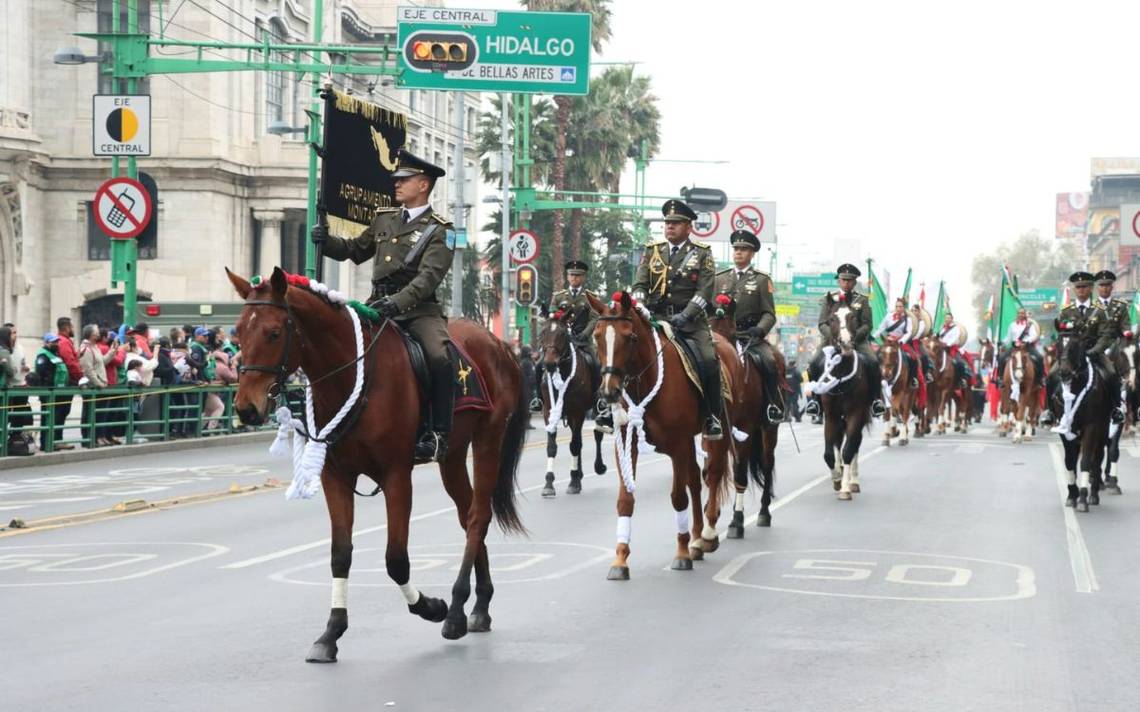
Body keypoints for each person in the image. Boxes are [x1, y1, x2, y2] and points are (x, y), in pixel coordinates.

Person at [313, 149, 456, 462]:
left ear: (424, 185)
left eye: (404, 179)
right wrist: (326, 240)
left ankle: (438, 434)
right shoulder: (384, 218)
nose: (397, 184)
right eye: (397, 179)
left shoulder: (442, 230)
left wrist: (397, 303)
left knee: (440, 356)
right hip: (376, 305)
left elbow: (428, 279)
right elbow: (354, 249)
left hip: (417, 311)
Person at [631, 198, 723, 439]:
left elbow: (705, 291)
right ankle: (609, 407)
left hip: (689, 323)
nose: (670, 226)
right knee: (622, 350)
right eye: (668, 222)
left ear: (688, 227)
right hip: (654, 319)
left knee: (709, 361)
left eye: (676, 223)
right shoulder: (653, 251)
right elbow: (640, 283)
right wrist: (640, 305)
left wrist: (687, 315)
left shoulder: (702, 253)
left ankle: (712, 416)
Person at [713, 229, 784, 423]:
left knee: (769, 362)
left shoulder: (761, 279)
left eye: (744, 249)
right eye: (736, 248)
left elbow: (769, 313)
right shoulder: (719, 278)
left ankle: (772, 404)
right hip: (722, 336)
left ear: (752, 254)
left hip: (750, 336)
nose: (738, 252)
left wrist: (760, 329)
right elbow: (711, 310)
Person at [805, 263, 885, 418]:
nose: (846, 283)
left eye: (850, 280)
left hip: (857, 341)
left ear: (854, 282)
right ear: (838, 281)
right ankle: (815, 401)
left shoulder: (861, 300)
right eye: (843, 280)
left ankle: (876, 400)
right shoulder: (829, 298)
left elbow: (868, 324)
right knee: (814, 362)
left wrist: (853, 338)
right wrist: (833, 337)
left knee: (873, 362)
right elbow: (822, 323)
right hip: (831, 340)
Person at [1044, 270, 1115, 425]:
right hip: (1071, 354)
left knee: (1111, 373)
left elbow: (1105, 335)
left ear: (1090, 289)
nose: (1081, 290)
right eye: (1078, 287)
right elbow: (1061, 333)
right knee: (1051, 376)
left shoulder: (1100, 310)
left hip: (1093, 352)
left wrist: (1095, 350)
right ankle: (1050, 411)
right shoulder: (1066, 310)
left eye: (1084, 287)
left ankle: (1115, 409)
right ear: (1075, 289)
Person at [549, 259, 610, 431]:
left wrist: (585, 334)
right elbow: (553, 315)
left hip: (583, 342)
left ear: (583, 278)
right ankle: (539, 399)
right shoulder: (559, 296)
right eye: (571, 275)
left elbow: (594, 318)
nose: (574, 279)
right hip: (562, 341)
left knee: (596, 365)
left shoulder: (590, 297)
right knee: (542, 364)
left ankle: (599, 401)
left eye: (578, 276)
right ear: (567, 277)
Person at [1091, 269, 1130, 423]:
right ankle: (1057, 410)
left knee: (1113, 373)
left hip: (1114, 345)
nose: (1105, 288)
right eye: (1102, 285)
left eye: (1108, 285)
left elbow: (1125, 325)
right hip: (1093, 347)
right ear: (1097, 287)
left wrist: (1127, 332)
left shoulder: (1120, 306)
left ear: (1112, 287)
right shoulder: (1090, 306)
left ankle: (1117, 407)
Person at [874, 297, 926, 408]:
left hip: (901, 342)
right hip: (888, 341)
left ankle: (912, 379)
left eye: (900, 306)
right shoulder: (888, 316)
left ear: (904, 308)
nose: (898, 308)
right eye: (897, 306)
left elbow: (909, 332)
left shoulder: (908, 319)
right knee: (875, 357)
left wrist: (902, 340)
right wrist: (874, 336)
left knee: (913, 358)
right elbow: (881, 327)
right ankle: (874, 380)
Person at [998, 307, 1044, 388]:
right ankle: (1001, 379)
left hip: (1026, 347)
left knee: (1039, 357)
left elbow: (1034, 335)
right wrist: (1002, 343)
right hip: (1015, 347)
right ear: (1017, 314)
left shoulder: (1029, 325)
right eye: (1019, 313)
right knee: (1001, 358)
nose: (1021, 315)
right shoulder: (1012, 325)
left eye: (1022, 313)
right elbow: (1008, 338)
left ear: (1025, 314)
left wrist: (1026, 341)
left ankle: (1040, 380)